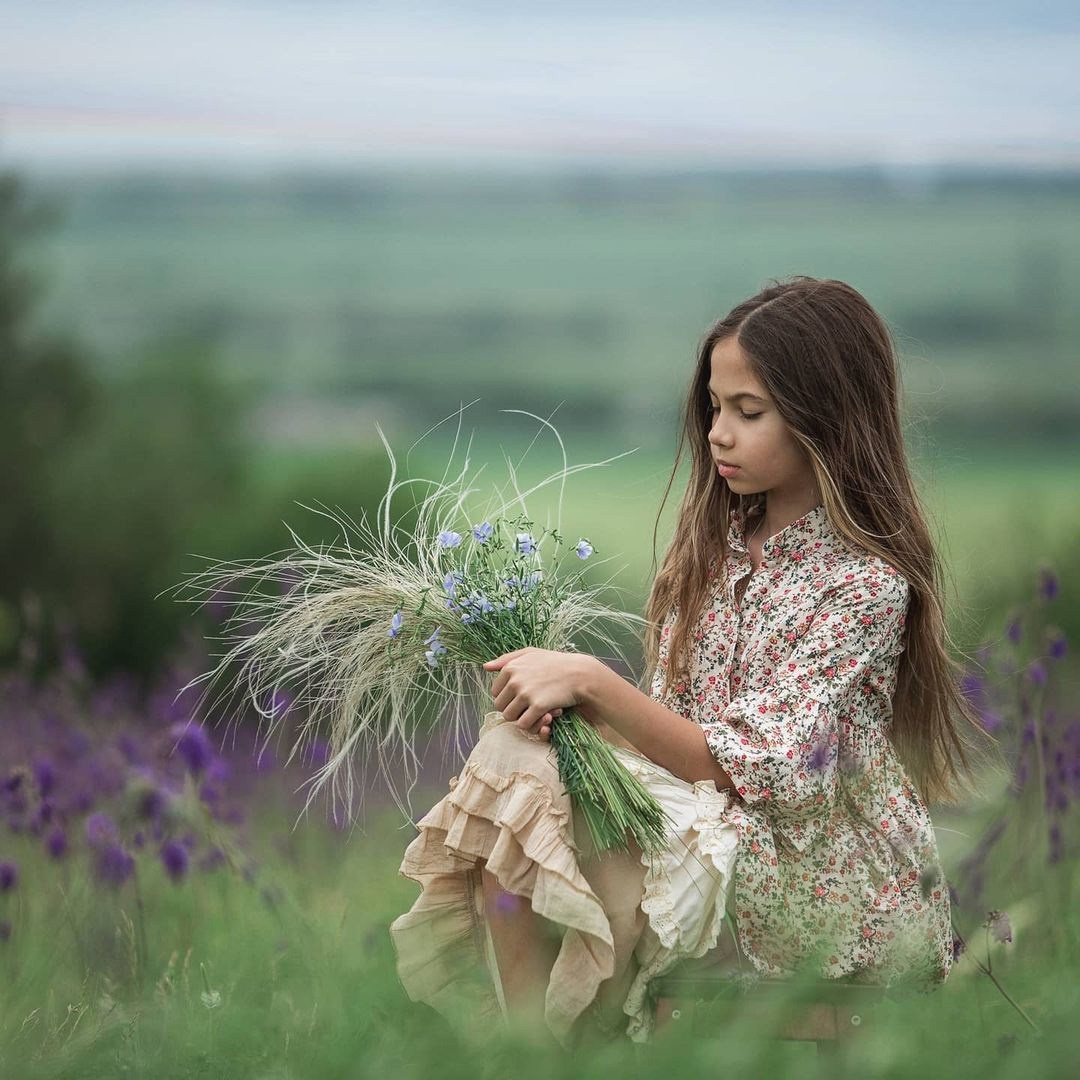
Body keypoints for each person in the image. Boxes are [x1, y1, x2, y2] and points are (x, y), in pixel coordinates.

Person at [388, 275, 989, 1052]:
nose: (717, 434)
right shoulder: (710, 554)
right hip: (704, 829)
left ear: (826, 420)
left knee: (530, 784)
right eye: (714, 407)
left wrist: (594, 683)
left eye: (749, 412)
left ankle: (542, 1055)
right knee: (517, 754)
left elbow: (750, 769)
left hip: (811, 874)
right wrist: (573, 723)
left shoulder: (863, 585)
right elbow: (668, 740)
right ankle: (529, 1048)